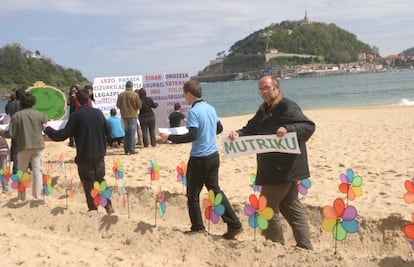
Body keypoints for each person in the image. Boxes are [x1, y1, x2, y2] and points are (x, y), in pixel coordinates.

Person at [228, 75, 315, 250]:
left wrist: (289, 128)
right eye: (261, 89)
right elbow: (250, 129)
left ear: (276, 87)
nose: (264, 92)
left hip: (285, 168)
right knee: (291, 207)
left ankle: (275, 245)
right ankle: (305, 247)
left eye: (267, 88)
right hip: (272, 167)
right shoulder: (263, 110)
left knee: (266, 208)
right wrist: (238, 134)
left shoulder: (288, 106)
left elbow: (308, 126)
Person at [160, 80, 243, 239]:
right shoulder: (210, 108)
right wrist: (207, 133)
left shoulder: (194, 111)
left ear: (189, 93)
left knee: (192, 194)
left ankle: (198, 227)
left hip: (200, 158)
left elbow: (192, 135)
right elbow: (219, 128)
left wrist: (169, 137)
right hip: (213, 155)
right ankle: (234, 224)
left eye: (184, 94)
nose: (185, 98)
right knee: (215, 190)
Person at [44, 88, 114, 214]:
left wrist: (47, 129)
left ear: (76, 101)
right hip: (99, 153)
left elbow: (62, 135)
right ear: (88, 99)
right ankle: (108, 205)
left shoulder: (76, 116)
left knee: (88, 183)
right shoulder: (98, 113)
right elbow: (109, 131)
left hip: (84, 155)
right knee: (100, 180)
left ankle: (93, 208)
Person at [1, 93, 48, 201]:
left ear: (21, 103)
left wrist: (2, 132)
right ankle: (37, 197)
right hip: (38, 146)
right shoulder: (39, 114)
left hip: (23, 146)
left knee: (21, 172)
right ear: (33, 103)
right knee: (37, 171)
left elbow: (11, 134)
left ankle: (21, 196)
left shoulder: (17, 116)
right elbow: (45, 118)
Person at [116, 81, 142, 155]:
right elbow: (139, 105)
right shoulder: (135, 95)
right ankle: (132, 149)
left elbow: (118, 105)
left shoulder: (121, 95)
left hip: (124, 115)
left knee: (126, 133)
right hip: (133, 115)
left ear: (126, 86)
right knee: (132, 133)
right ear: (132, 86)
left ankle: (126, 149)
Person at [5, 87, 25, 174]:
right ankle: (18, 168)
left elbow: (6, 111)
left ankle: (15, 167)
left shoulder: (11, 105)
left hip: (13, 127)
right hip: (22, 128)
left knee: (15, 146)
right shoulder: (23, 104)